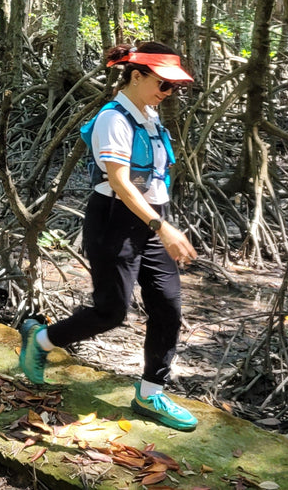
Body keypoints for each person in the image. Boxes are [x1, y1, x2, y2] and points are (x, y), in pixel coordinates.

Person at [18, 42, 199, 432]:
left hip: (150, 220)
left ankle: (150, 393)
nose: (169, 93)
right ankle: (42, 340)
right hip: (115, 221)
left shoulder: (149, 116)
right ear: (138, 76)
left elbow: (151, 179)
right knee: (111, 311)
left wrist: (162, 222)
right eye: (164, 84)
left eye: (174, 88)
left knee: (168, 306)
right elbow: (119, 180)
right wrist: (162, 227)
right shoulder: (112, 119)